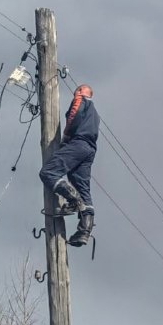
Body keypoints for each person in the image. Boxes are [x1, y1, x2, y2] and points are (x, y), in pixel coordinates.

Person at [39, 83, 99, 247]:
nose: (76, 92)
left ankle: (73, 200)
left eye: (78, 90)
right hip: (90, 149)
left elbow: (74, 115)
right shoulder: (95, 114)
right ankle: (84, 232)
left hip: (78, 143)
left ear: (82, 91)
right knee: (82, 186)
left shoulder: (81, 100)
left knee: (48, 173)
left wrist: (65, 137)